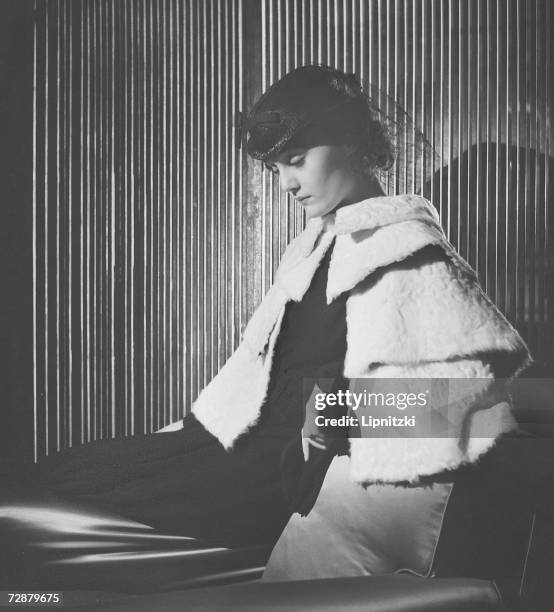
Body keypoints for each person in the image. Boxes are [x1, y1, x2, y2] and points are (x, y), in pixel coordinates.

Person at [1, 64, 552, 606]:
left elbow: (470, 404)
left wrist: (335, 414)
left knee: (37, 506)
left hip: (277, 471)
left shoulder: (408, 252)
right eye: (275, 169)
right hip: (236, 445)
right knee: (58, 475)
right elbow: (256, 376)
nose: (287, 183)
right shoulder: (315, 246)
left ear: (355, 143)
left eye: (296, 161)